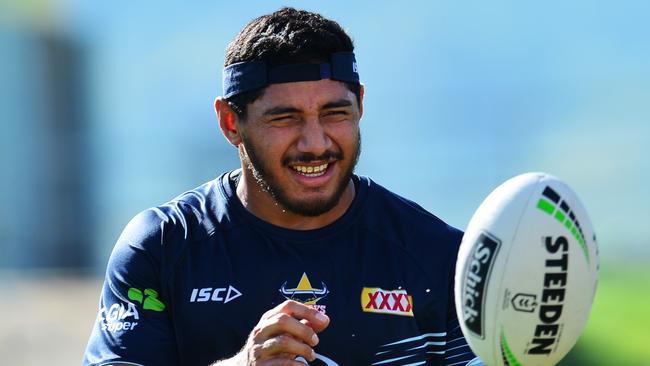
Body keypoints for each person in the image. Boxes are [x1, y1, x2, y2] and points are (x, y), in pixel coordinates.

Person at [83, 7, 481, 366]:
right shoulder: (164, 246)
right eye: (284, 118)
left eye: (334, 113)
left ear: (360, 104)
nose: (315, 143)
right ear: (230, 123)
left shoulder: (441, 258)